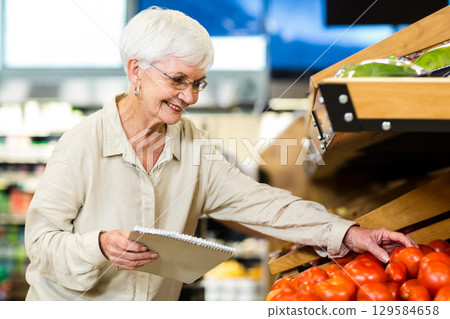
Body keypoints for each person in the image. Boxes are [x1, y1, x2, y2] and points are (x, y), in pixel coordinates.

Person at [24, 6, 416, 301]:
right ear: (135, 71)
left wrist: (347, 232)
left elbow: (260, 203)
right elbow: (41, 245)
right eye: (178, 80)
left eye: (198, 83)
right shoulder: (82, 144)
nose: (190, 97)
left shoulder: (191, 143)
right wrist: (99, 244)